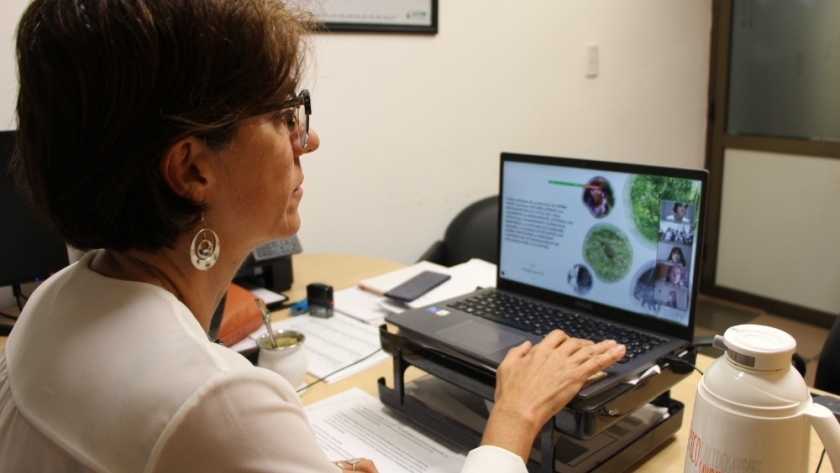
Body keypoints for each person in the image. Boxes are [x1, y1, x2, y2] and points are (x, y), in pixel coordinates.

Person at [0, 0, 626, 472]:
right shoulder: (216, 401)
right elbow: (199, 429)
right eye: (281, 116)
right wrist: (512, 419)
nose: (308, 138)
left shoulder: (53, 302)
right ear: (192, 170)